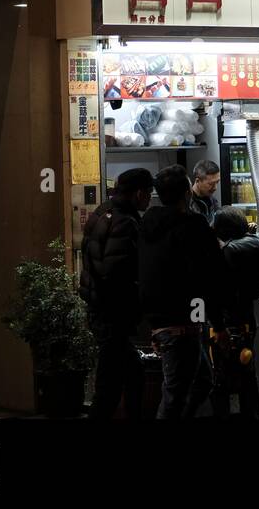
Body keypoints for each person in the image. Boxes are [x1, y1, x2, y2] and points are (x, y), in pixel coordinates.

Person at [139, 165, 227, 420]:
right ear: (186, 193)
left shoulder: (148, 225)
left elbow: (146, 274)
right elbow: (210, 276)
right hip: (183, 324)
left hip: (162, 322)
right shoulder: (193, 225)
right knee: (175, 396)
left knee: (200, 383)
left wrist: (152, 324)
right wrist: (219, 324)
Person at [79, 168, 153, 420]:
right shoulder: (126, 222)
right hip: (113, 314)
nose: (149, 199)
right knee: (109, 387)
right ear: (139, 193)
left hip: (101, 310)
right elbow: (117, 272)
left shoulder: (102, 212)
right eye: (149, 193)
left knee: (130, 375)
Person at [209, 207, 259, 419]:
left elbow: (216, 290)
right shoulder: (256, 243)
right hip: (247, 320)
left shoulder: (227, 253)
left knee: (220, 379)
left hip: (228, 322)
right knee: (247, 374)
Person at [189, 160, 222, 225]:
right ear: (197, 181)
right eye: (210, 184)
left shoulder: (213, 201)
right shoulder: (188, 205)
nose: (215, 188)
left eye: (217, 182)